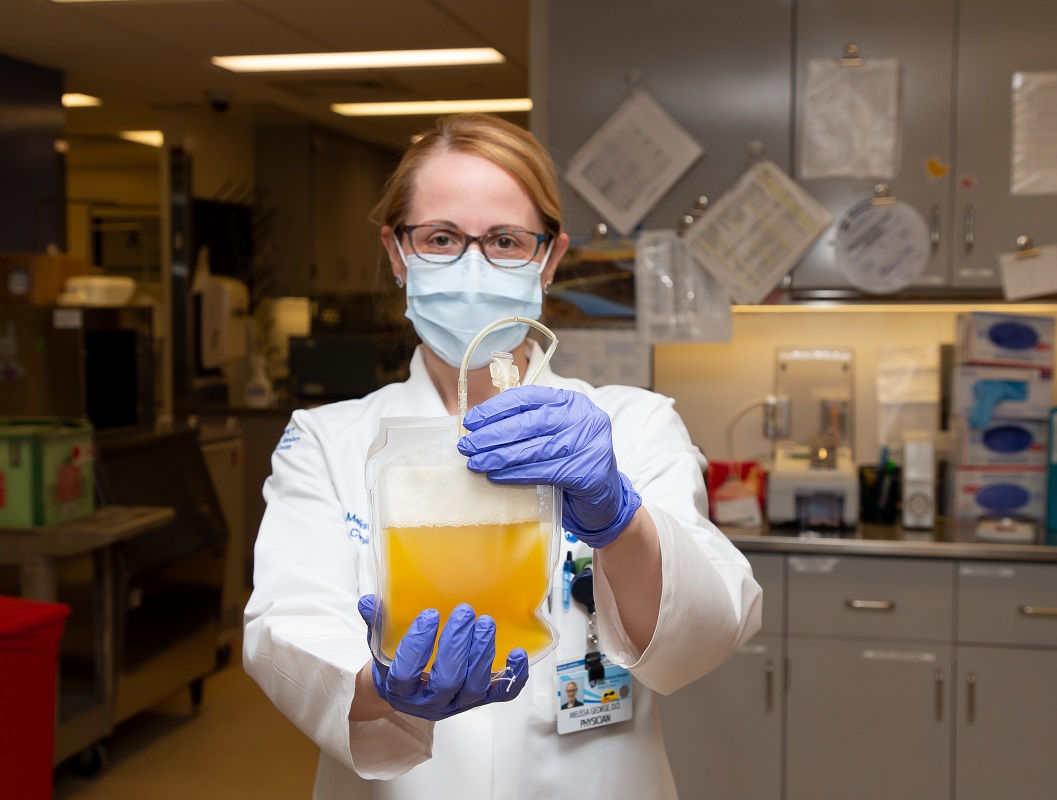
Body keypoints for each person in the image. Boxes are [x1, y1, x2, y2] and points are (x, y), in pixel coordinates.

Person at [243, 113, 762, 799]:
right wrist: (381, 687)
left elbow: (707, 631)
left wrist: (620, 519)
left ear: (548, 258)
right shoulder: (328, 441)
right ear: (397, 254)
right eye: (440, 238)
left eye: (506, 241)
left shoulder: (630, 426)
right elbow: (287, 628)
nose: (471, 266)